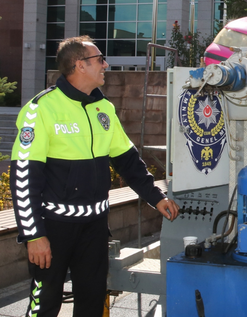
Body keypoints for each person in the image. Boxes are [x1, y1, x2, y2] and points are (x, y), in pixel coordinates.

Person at [9, 35, 180, 317]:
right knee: (45, 304)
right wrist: (33, 235)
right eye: (100, 59)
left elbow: (128, 161)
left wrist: (156, 197)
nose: (105, 64)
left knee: (92, 302)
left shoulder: (104, 109)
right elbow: (24, 180)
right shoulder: (40, 110)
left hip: (95, 227)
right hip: (54, 228)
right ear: (79, 65)